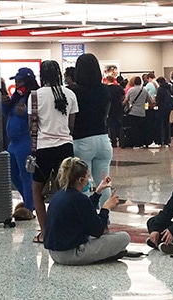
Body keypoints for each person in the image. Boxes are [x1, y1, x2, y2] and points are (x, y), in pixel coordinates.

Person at [44, 157, 130, 265]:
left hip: (54, 254)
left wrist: (98, 192)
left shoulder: (60, 194)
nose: (89, 180)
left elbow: (84, 210)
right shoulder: (79, 198)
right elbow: (98, 230)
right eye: (88, 177)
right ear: (80, 180)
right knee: (124, 237)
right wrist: (106, 208)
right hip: (72, 254)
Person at [28, 60, 79, 244]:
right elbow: (72, 125)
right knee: (66, 190)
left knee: (37, 191)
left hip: (43, 148)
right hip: (66, 147)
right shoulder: (70, 94)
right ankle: (66, 230)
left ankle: (44, 232)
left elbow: (31, 125)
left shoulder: (35, 96)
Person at [70, 53, 113, 206]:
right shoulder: (105, 90)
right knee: (104, 181)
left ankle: (86, 216)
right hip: (103, 139)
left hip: (82, 141)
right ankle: (105, 215)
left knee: (83, 183)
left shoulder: (73, 91)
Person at [1, 67, 40, 219]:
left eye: (20, 80)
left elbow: (37, 118)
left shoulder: (32, 96)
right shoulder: (16, 96)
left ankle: (29, 207)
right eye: (16, 80)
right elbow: (7, 113)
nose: (17, 83)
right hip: (13, 142)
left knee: (25, 175)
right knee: (13, 174)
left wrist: (25, 114)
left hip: (25, 140)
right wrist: (5, 104)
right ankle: (30, 201)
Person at [124, 76, 152, 149]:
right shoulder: (144, 90)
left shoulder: (130, 90)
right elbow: (150, 100)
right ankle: (141, 143)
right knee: (141, 129)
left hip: (132, 112)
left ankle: (135, 144)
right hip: (142, 112)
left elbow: (126, 100)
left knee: (133, 129)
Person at [106, 75, 125, 148]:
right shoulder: (118, 87)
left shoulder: (106, 88)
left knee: (111, 126)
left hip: (110, 109)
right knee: (120, 126)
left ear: (107, 80)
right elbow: (123, 95)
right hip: (119, 108)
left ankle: (113, 142)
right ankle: (121, 142)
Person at [154, 76, 172, 147]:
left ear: (159, 82)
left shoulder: (160, 89)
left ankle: (160, 141)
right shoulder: (169, 88)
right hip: (168, 108)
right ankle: (167, 141)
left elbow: (158, 100)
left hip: (161, 109)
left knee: (160, 125)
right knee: (166, 124)